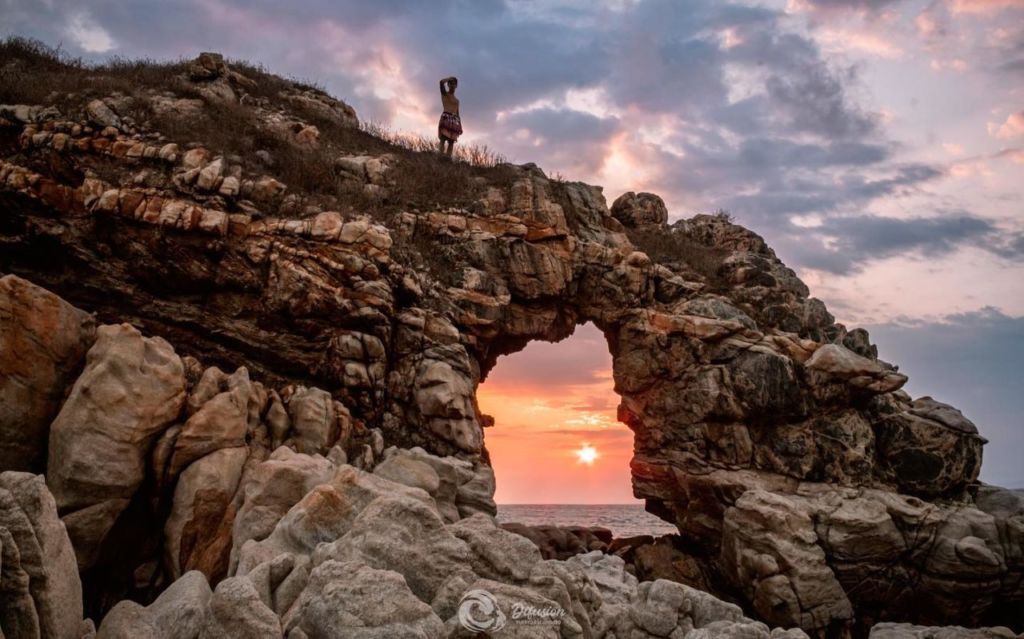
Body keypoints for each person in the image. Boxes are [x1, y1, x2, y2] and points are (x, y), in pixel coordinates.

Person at [438, 76, 462, 156]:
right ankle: (440, 156)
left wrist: (460, 125)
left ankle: (447, 159)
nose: (452, 85)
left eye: (454, 84)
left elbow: (458, 113)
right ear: (448, 85)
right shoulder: (445, 94)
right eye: (450, 84)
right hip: (446, 117)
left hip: (454, 120)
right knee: (443, 139)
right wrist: (449, 78)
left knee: (451, 142)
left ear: (456, 85)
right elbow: (441, 82)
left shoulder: (457, 101)